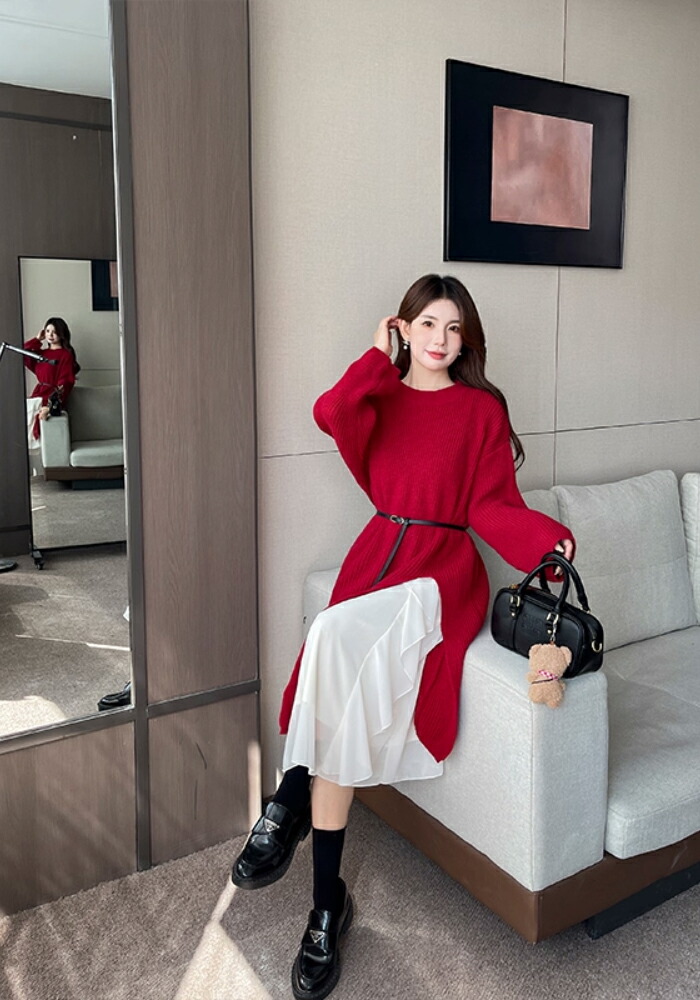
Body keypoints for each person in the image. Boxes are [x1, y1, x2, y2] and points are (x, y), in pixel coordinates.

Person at [232, 274, 576, 1000]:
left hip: (440, 573)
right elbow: (330, 413)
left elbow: (491, 506)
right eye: (427, 325)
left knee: (331, 636)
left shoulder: (480, 410)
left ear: (466, 338)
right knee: (333, 661)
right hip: (377, 558)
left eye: (453, 328)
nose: (441, 340)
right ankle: (327, 905)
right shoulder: (379, 396)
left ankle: (288, 800)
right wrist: (374, 358)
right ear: (403, 328)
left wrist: (546, 542)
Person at [24, 317, 81, 448]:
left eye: (54, 332)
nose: (50, 335)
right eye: (48, 331)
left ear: (62, 334)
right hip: (38, 392)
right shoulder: (42, 354)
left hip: (51, 395)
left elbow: (66, 382)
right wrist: (37, 339)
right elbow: (25, 353)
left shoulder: (65, 355)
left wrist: (51, 405)